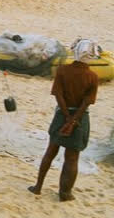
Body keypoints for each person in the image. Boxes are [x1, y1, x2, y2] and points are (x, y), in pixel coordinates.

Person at [29, 39, 99, 202]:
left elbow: (58, 95)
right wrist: (74, 120)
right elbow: (87, 102)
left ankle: (38, 186)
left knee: (51, 151)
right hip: (80, 118)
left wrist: (66, 117)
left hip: (61, 115)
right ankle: (65, 193)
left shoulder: (62, 70)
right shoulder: (92, 77)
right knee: (72, 158)